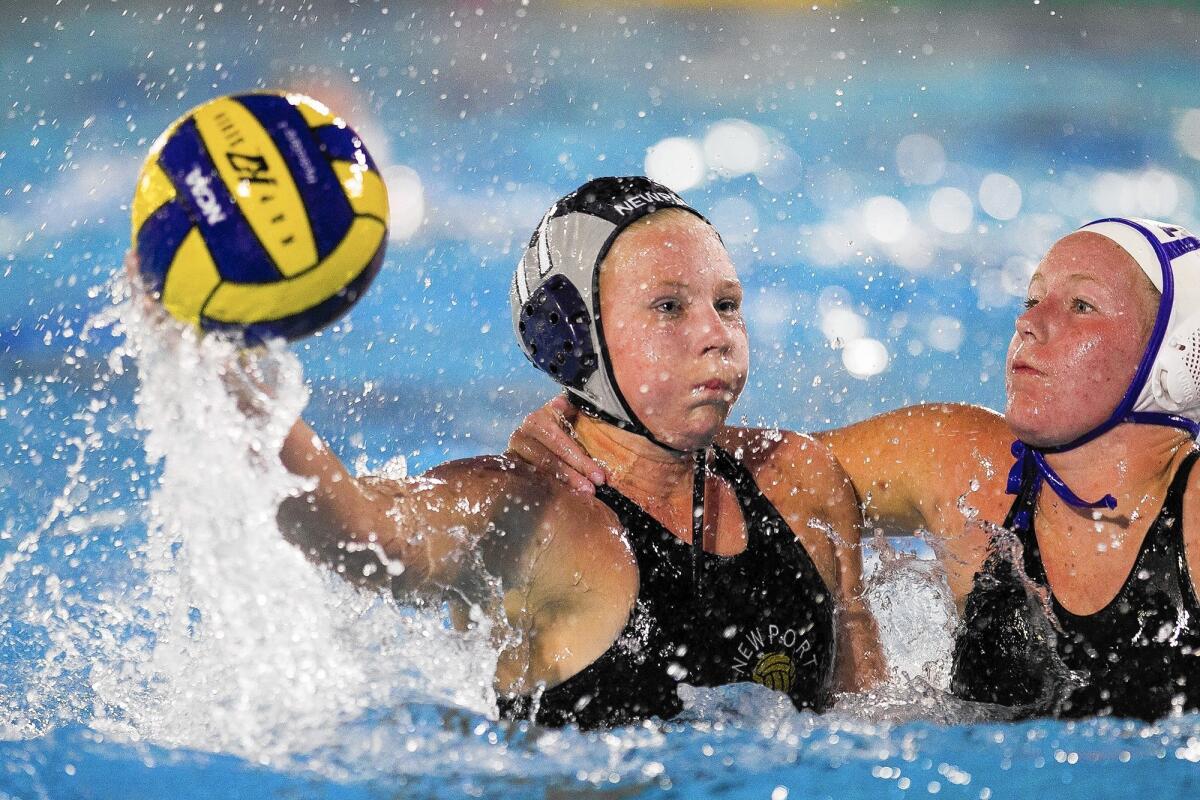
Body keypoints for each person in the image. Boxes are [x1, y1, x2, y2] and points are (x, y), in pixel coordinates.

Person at [147, 176, 882, 729]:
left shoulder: (800, 483)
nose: (716, 333)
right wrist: (227, 364)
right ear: (576, 338)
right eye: (668, 307)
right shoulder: (538, 518)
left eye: (727, 304)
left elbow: (869, 720)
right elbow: (362, 532)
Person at [510, 216, 1200, 720]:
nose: (1030, 324)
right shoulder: (965, 465)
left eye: (1080, 305)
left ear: (1170, 356)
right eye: (1031, 299)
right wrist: (595, 422)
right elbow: (738, 480)